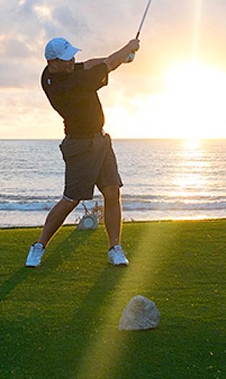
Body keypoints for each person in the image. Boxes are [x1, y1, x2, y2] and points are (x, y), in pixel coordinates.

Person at [25, 35, 141, 268]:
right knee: (71, 199)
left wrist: (122, 57)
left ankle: (114, 247)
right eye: (67, 59)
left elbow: (89, 63)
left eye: (71, 57)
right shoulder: (68, 85)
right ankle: (39, 246)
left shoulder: (54, 72)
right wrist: (128, 48)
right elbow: (106, 66)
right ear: (53, 62)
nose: (72, 61)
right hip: (79, 145)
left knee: (112, 192)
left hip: (101, 140)